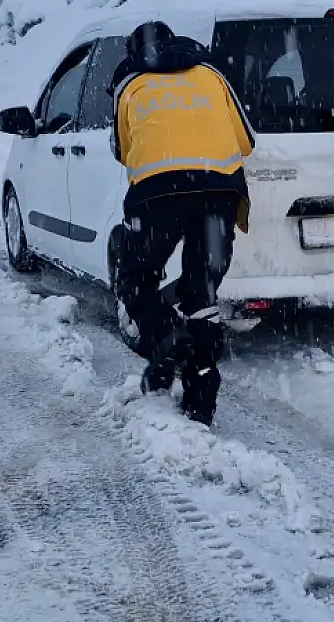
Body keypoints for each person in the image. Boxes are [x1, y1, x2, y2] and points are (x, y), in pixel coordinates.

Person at [110, 21, 256, 426]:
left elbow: (122, 151)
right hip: (221, 191)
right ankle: (201, 399)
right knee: (202, 293)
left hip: (158, 194)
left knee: (135, 280)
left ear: (135, 49)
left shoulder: (129, 80)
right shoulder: (212, 72)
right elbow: (246, 141)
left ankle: (166, 338)